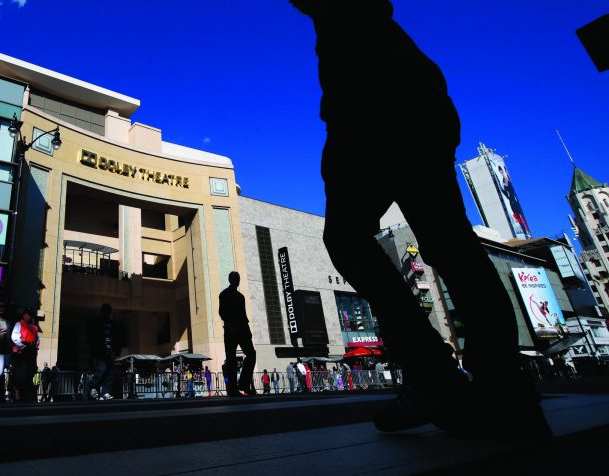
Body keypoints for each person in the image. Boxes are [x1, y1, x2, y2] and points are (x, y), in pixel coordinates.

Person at [290, 0, 552, 440]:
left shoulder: (349, 25)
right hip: (412, 98)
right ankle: (502, 388)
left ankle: (437, 380)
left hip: (368, 105)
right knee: (450, 244)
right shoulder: (371, 25)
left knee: (351, 238)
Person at [219, 271, 257, 397]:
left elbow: (244, 315)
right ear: (230, 280)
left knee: (251, 354)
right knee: (231, 360)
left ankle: (243, 384)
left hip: (241, 330)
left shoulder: (241, 297)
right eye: (235, 278)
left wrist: (248, 331)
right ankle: (233, 389)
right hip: (231, 330)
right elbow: (222, 313)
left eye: (238, 278)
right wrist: (231, 326)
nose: (237, 280)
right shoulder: (224, 294)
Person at [87, 303, 116, 401]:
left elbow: (116, 337)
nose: (107, 312)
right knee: (102, 369)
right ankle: (93, 387)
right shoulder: (96, 322)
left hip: (110, 350)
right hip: (100, 350)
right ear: (102, 311)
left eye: (109, 310)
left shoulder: (112, 323)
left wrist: (116, 350)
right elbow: (91, 336)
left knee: (110, 372)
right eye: (105, 310)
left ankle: (105, 392)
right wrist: (94, 349)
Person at [10, 307, 40, 403]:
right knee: (21, 373)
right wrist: (22, 345)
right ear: (24, 315)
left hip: (31, 352)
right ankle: (17, 391)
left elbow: (37, 339)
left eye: (30, 314)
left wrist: (35, 347)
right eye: (28, 314)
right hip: (22, 352)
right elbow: (14, 337)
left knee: (31, 372)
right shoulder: (19, 324)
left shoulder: (34, 327)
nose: (29, 316)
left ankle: (25, 393)